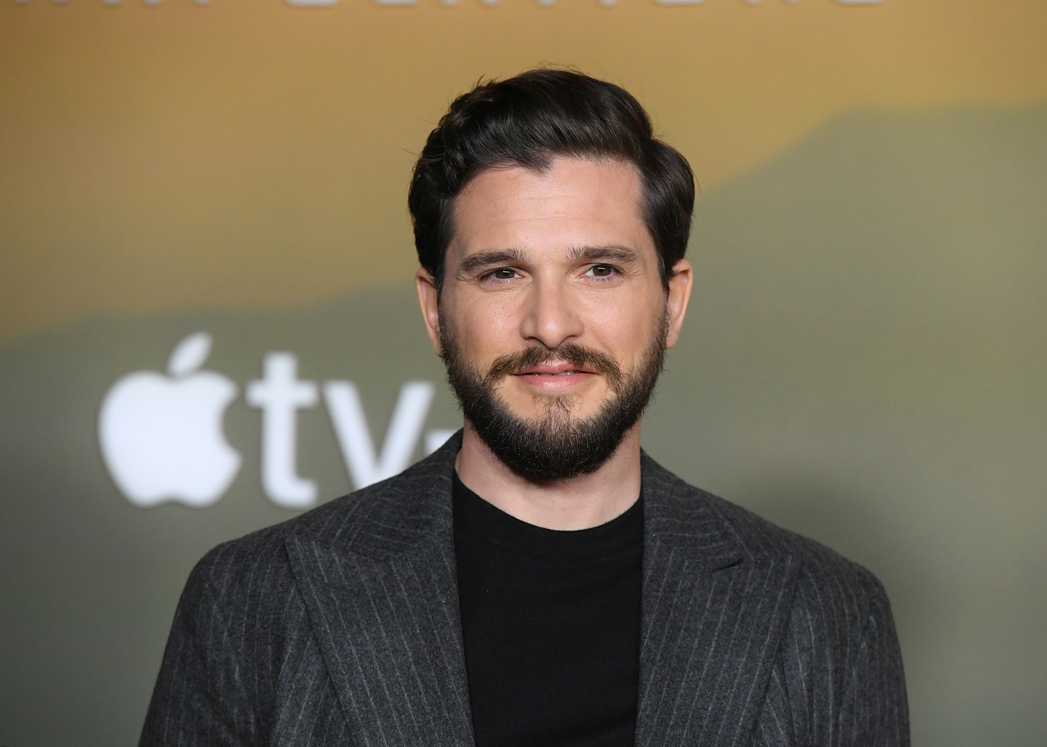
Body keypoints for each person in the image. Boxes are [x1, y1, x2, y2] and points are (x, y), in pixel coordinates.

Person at [141, 69, 909, 746]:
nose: (550, 324)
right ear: (435, 309)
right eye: (502, 273)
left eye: (599, 270)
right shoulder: (251, 601)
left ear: (672, 302)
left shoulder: (826, 615)